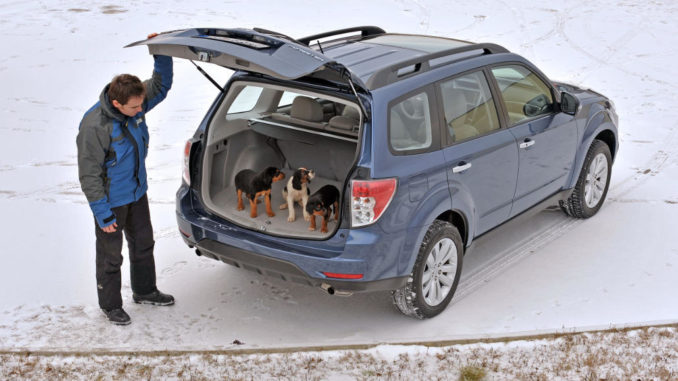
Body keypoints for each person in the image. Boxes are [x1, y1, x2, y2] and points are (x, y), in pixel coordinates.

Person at [76, 42, 175, 325]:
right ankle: (110, 306)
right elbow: (89, 173)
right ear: (117, 103)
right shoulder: (95, 127)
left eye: (141, 103)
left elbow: (161, 85)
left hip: (136, 193)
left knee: (143, 243)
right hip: (111, 202)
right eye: (135, 106)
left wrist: (162, 51)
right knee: (111, 256)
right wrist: (101, 212)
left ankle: (145, 291)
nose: (141, 108)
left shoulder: (135, 102)